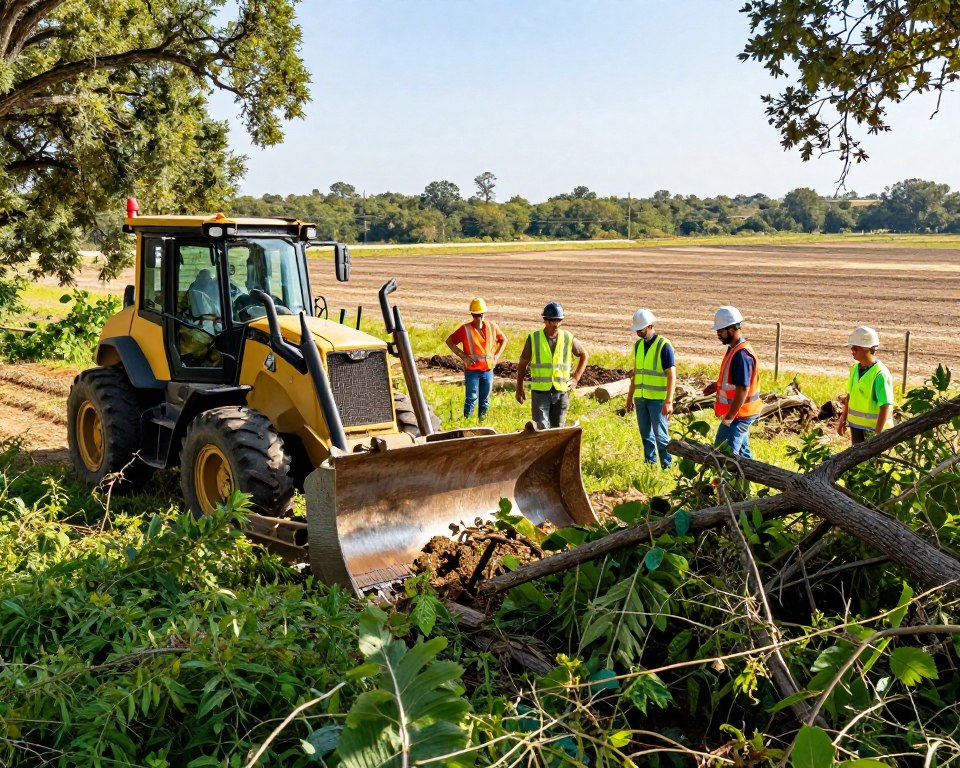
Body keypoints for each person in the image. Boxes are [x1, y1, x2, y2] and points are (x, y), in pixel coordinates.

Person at [515, 302, 588, 429]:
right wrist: (519, 388)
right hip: (540, 392)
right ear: (545, 320)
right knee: (541, 428)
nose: (556, 324)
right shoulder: (534, 338)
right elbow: (522, 363)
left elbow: (584, 355)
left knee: (558, 428)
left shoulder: (567, 337)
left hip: (561, 391)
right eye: (552, 321)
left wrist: (576, 379)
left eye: (559, 321)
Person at [702, 306, 761, 457]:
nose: (718, 335)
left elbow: (743, 389)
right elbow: (734, 382)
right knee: (743, 455)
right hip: (739, 413)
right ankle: (747, 479)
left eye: (720, 331)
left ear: (732, 328)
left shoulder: (741, 355)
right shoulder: (734, 349)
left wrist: (729, 418)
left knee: (724, 454)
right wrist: (717, 386)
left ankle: (725, 481)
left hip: (739, 415)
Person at [625, 308, 675, 469]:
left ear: (650, 326)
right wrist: (630, 397)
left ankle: (667, 468)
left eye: (641, 329)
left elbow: (671, 375)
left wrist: (669, 401)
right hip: (640, 398)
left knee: (661, 437)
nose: (638, 332)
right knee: (646, 435)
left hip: (657, 400)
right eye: (637, 329)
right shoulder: (638, 345)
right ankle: (650, 466)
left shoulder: (664, 345)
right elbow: (637, 373)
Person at [445, 297, 507, 421]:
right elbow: (449, 341)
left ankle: (482, 422)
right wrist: (463, 357)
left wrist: (496, 357)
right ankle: (467, 422)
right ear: (472, 315)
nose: (478, 317)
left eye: (480, 315)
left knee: (485, 400)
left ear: (483, 314)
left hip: (487, 371)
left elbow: (504, 340)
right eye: (476, 315)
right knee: (471, 399)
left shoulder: (492, 327)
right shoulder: (465, 329)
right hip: (472, 371)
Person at [836, 326, 894, 444]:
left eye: (855, 348)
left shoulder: (880, 374)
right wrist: (843, 419)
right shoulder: (854, 369)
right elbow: (849, 397)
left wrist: (877, 435)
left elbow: (885, 407)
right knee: (858, 462)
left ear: (866, 348)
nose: (852, 350)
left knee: (872, 462)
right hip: (856, 427)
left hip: (873, 430)